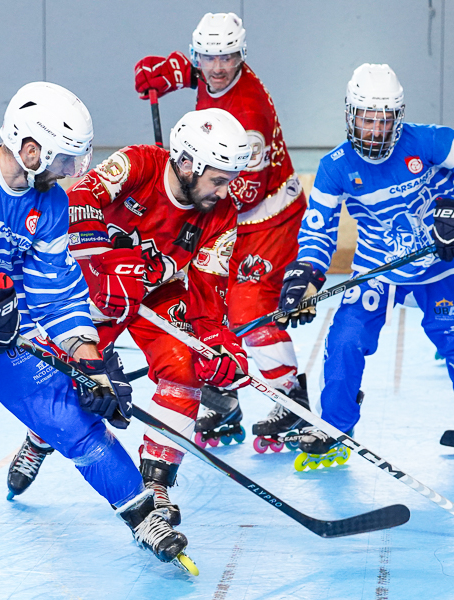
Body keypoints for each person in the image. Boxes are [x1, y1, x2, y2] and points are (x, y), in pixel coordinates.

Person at [0, 83, 193, 596]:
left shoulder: (51, 205)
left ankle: (143, 516)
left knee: (71, 419)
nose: (72, 173)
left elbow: (57, 293)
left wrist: (90, 361)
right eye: (64, 160)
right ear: (30, 148)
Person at [6, 108, 253, 529]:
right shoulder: (138, 163)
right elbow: (81, 198)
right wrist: (110, 261)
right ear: (189, 163)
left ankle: (156, 481)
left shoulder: (221, 212)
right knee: (79, 379)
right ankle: (39, 437)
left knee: (186, 367)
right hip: (96, 283)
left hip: (159, 294)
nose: (225, 190)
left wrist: (217, 340)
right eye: (218, 179)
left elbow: (209, 286)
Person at [278, 63, 454, 467]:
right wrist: (305, 274)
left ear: (398, 117)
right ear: (349, 114)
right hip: (379, 267)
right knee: (344, 340)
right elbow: (318, 230)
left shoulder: (427, 139)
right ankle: (336, 425)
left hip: (440, 259)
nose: (373, 130)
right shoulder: (335, 166)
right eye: (365, 119)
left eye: (383, 120)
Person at [133, 12, 311, 444]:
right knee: (204, 302)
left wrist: (181, 182)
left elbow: (239, 191)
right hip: (229, 209)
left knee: (248, 308)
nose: (217, 67)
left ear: (242, 55)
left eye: (227, 56)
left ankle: (291, 398)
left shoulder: (247, 113)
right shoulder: (212, 72)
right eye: (209, 56)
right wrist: (163, 72)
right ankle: (223, 399)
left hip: (267, 215)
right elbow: (189, 68)